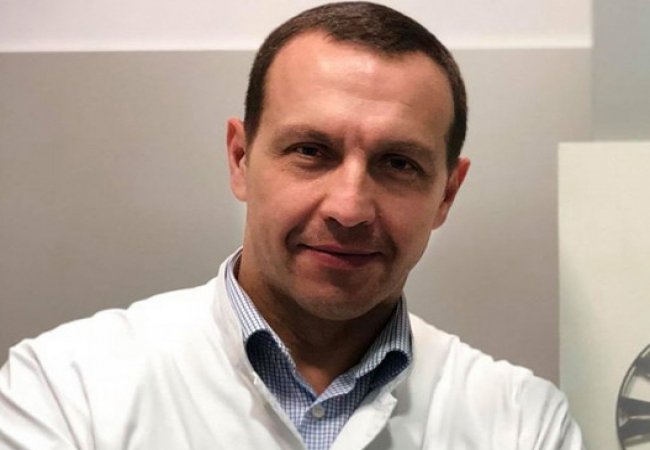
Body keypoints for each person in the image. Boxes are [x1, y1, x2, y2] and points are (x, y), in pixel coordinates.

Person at [0, 2, 583, 449]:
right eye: (310, 150)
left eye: (398, 163)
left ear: (446, 194)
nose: (349, 208)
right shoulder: (67, 387)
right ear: (241, 159)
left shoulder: (521, 422)